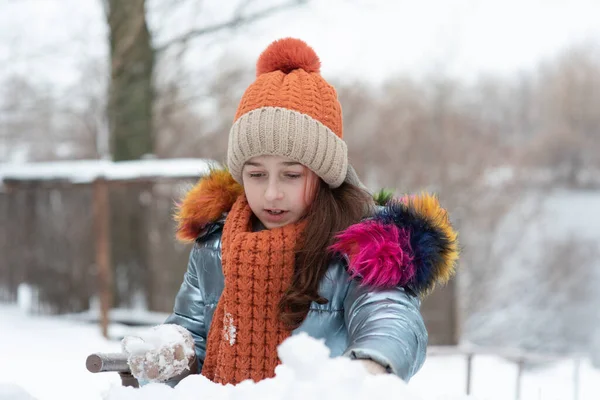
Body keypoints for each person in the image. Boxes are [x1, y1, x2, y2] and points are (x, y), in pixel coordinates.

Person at [123, 37, 459, 387]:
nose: (271, 192)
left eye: (291, 174)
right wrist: (171, 348)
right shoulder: (215, 244)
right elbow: (194, 330)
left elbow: (390, 318)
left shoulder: (360, 252)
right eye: (255, 174)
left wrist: (369, 367)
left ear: (325, 174)